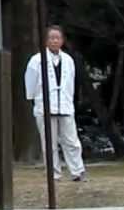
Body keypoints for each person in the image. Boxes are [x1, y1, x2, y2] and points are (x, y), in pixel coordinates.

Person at [24, 24, 87, 182]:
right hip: (45, 107)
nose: (54, 41)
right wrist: (35, 100)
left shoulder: (68, 60)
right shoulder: (36, 60)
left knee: (71, 141)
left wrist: (70, 101)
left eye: (57, 38)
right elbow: (30, 84)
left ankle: (77, 171)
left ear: (62, 40)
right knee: (49, 143)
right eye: (51, 38)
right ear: (46, 40)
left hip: (65, 106)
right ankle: (54, 174)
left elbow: (71, 83)